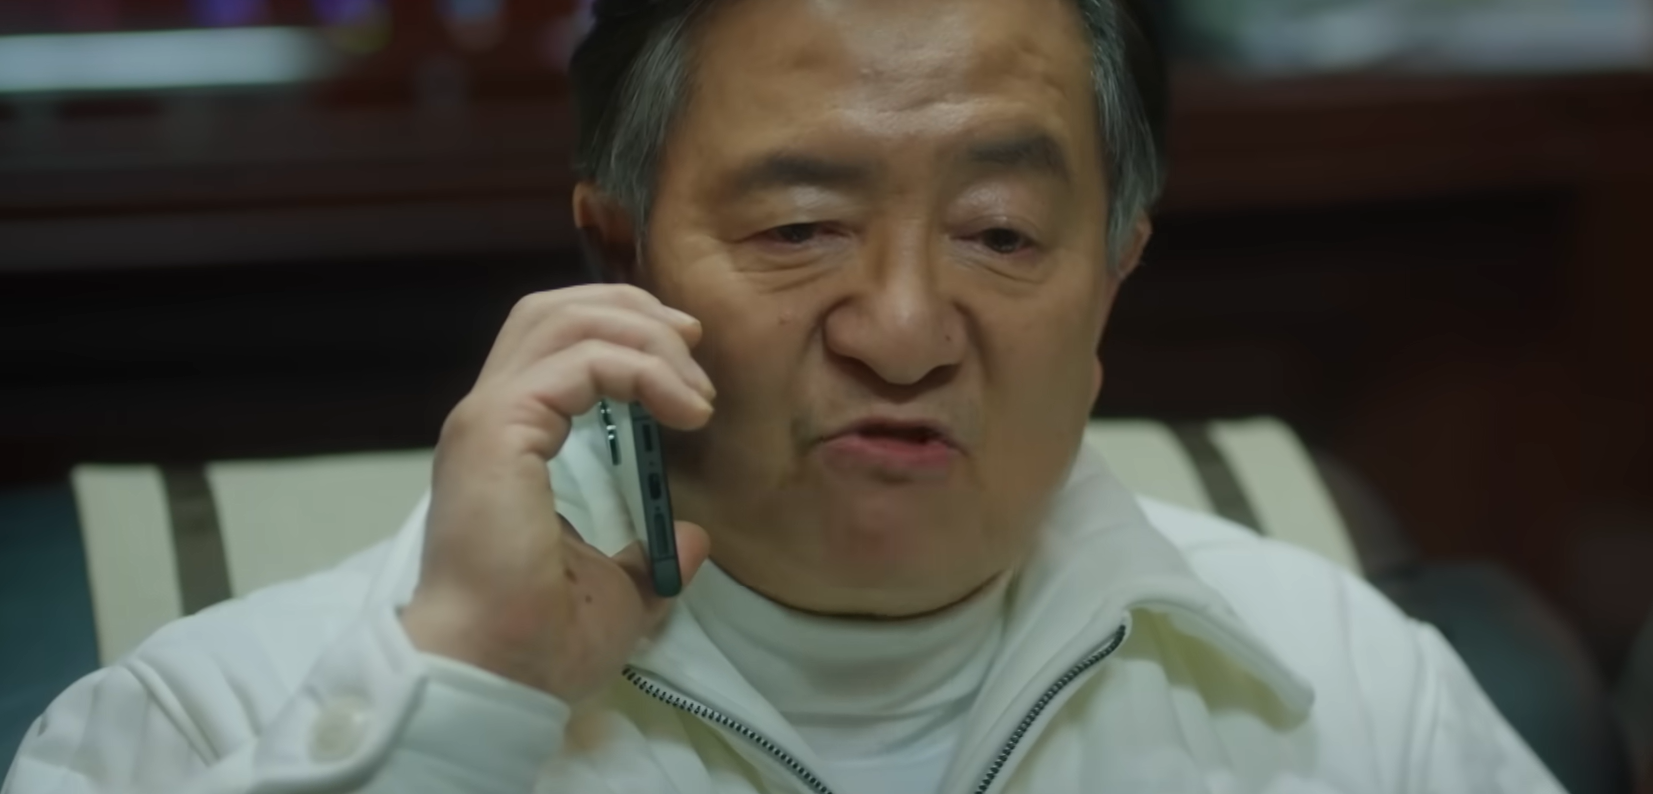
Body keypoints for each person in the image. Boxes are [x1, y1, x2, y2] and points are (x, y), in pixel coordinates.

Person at [4, 0, 1567, 791]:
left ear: (1112, 282)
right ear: (616, 259)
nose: (903, 330)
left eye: (1001, 234)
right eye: (801, 226)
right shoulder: (214, 715)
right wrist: (458, 697)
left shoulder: (1351, 694)